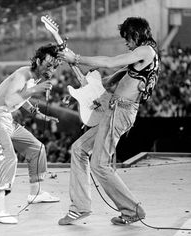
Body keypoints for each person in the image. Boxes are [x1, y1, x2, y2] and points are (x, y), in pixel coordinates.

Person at [58, 17, 160, 225]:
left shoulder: (146, 51)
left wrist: (76, 57)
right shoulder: (138, 60)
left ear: (136, 34)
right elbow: (108, 82)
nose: (127, 44)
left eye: (128, 39)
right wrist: (78, 95)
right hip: (114, 109)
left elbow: (109, 61)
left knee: (100, 164)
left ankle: (132, 210)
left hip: (120, 111)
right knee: (78, 149)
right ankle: (80, 207)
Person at [0, 44, 62, 224]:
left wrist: (41, 115)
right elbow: (10, 99)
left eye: (54, 66)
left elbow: (22, 99)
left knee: (37, 149)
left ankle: (35, 193)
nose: (51, 69)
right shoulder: (23, 74)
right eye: (48, 65)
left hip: (8, 120)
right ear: (38, 61)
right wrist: (35, 90)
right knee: (9, 157)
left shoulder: (34, 78)